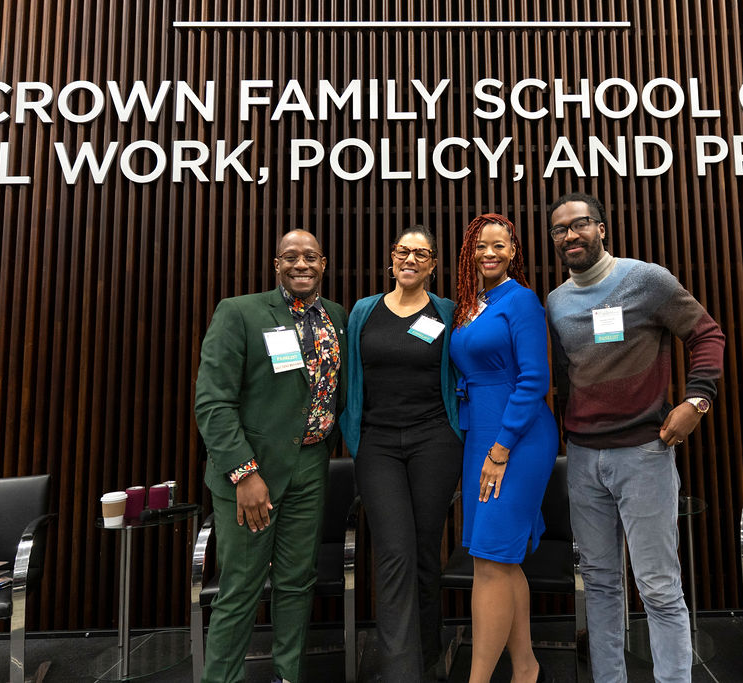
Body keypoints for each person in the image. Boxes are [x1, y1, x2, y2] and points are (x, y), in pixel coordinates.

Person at [544, 192, 725, 683]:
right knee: (600, 586)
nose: (571, 235)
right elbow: (566, 379)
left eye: (580, 224)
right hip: (582, 459)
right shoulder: (556, 302)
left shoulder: (648, 279)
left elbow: (707, 335)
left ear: (602, 228)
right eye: (560, 229)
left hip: (644, 455)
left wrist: (697, 401)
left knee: (659, 588)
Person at [194, 229, 347, 683]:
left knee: (298, 582)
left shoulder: (335, 316)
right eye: (291, 257)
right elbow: (212, 402)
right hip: (251, 474)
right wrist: (244, 473)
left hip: (312, 465)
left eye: (311, 257)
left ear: (324, 264)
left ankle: (288, 675)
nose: (301, 264)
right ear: (275, 264)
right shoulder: (240, 312)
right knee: (240, 587)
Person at [340, 226, 463, 681]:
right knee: (395, 550)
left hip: (435, 440)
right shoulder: (363, 312)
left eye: (422, 254)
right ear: (391, 259)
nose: (410, 259)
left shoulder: (449, 312)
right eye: (403, 252)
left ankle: (429, 652)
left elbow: (464, 369)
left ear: (433, 265)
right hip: (378, 444)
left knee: (427, 551)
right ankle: (400, 670)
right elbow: (349, 376)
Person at [449, 213, 558, 683]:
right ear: (469, 255)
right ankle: (526, 668)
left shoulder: (523, 301)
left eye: (499, 246)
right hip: (482, 438)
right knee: (497, 557)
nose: (488, 253)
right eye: (480, 247)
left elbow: (534, 380)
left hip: (516, 438)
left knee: (490, 559)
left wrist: (501, 448)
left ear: (513, 251)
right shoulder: (472, 304)